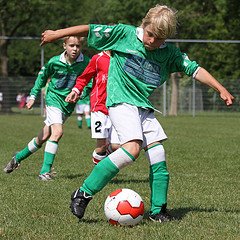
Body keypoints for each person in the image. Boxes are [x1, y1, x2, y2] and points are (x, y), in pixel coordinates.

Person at [41, 5, 234, 221]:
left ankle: (158, 210)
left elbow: (195, 70)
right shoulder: (123, 34)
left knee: (158, 153)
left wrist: (221, 88)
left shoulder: (169, 54)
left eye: (159, 38)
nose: (152, 41)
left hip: (143, 107)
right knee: (132, 149)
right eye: (149, 34)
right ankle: (83, 193)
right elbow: (90, 28)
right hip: (120, 101)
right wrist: (57, 34)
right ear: (143, 25)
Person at [3, 35, 91, 180]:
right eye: (71, 45)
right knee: (57, 132)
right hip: (53, 99)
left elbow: (90, 81)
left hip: (68, 105)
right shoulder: (55, 61)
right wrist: (32, 96)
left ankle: (17, 158)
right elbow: (41, 78)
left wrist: (80, 94)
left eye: (78, 46)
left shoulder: (86, 62)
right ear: (64, 46)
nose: (75, 49)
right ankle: (44, 172)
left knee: (43, 137)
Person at [66, 50, 120, 165]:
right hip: (99, 108)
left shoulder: (124, 58)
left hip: (117, 108)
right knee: (101, 145)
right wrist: (76, 90)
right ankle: (98, 175)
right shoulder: (98, 58)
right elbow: (84, 78)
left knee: (117, 146)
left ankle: (103, 161)